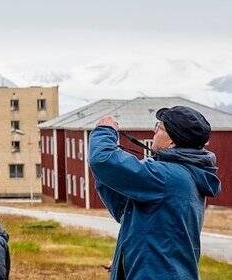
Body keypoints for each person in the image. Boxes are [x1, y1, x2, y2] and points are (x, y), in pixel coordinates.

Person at [89, 106, 221, 280]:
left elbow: (102, 159)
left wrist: (105, 131)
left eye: (159, 127)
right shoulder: (182, 175)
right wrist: (110, 175)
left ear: (173, 141)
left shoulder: (168, 176)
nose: (154, 130)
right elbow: (126, 212)